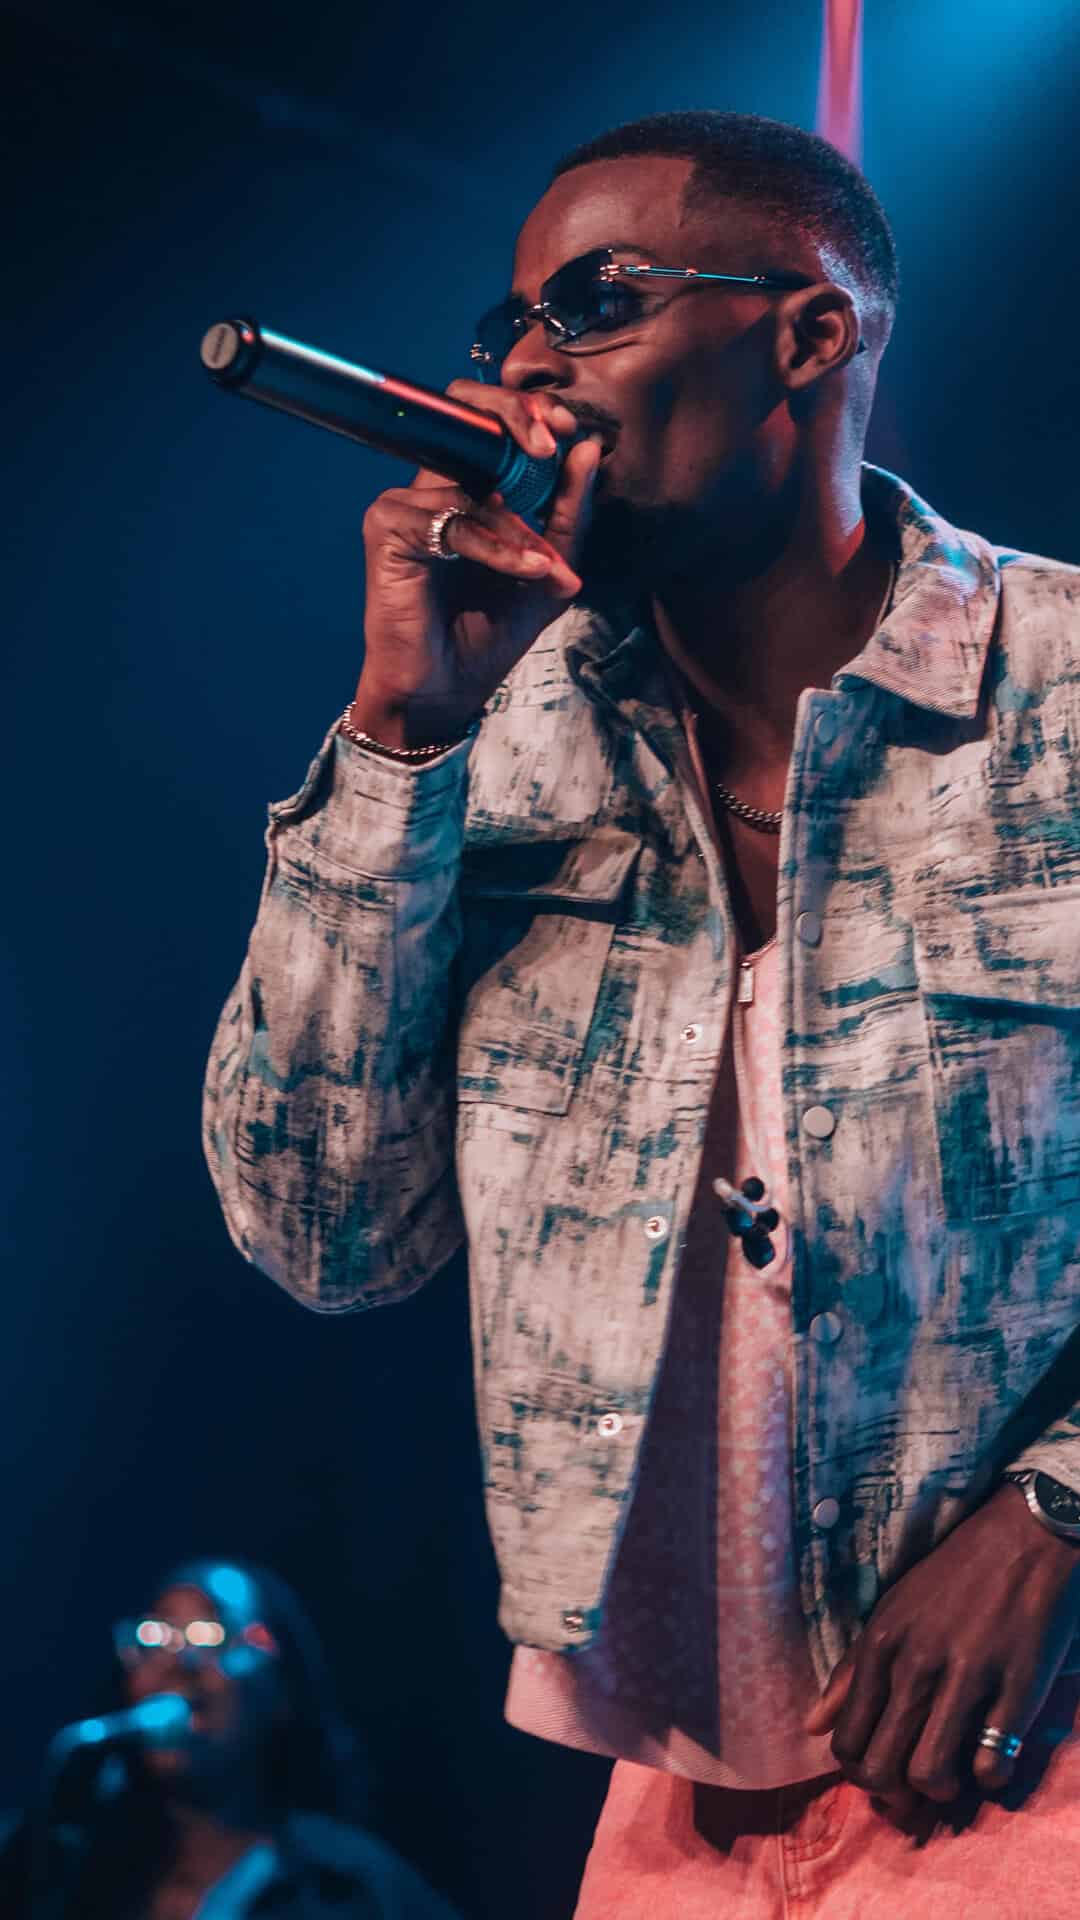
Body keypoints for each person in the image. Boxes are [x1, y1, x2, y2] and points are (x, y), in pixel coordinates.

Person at [203, 110, 1080, 1915]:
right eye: (511, 322)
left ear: (809, 335)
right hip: (683, 1784)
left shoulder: (1058, 693)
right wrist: (399, 738)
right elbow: (323, 1237)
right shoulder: (497, 742)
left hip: (1030, 1732)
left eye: (595, 300)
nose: (530, 365)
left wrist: (1060, 1508)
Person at [0, 1558, 460, 1918]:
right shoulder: (62, 1863)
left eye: (210, 1635)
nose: (176, 1662)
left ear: (278, 1689)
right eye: (155, 1636)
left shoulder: (352, 1889)